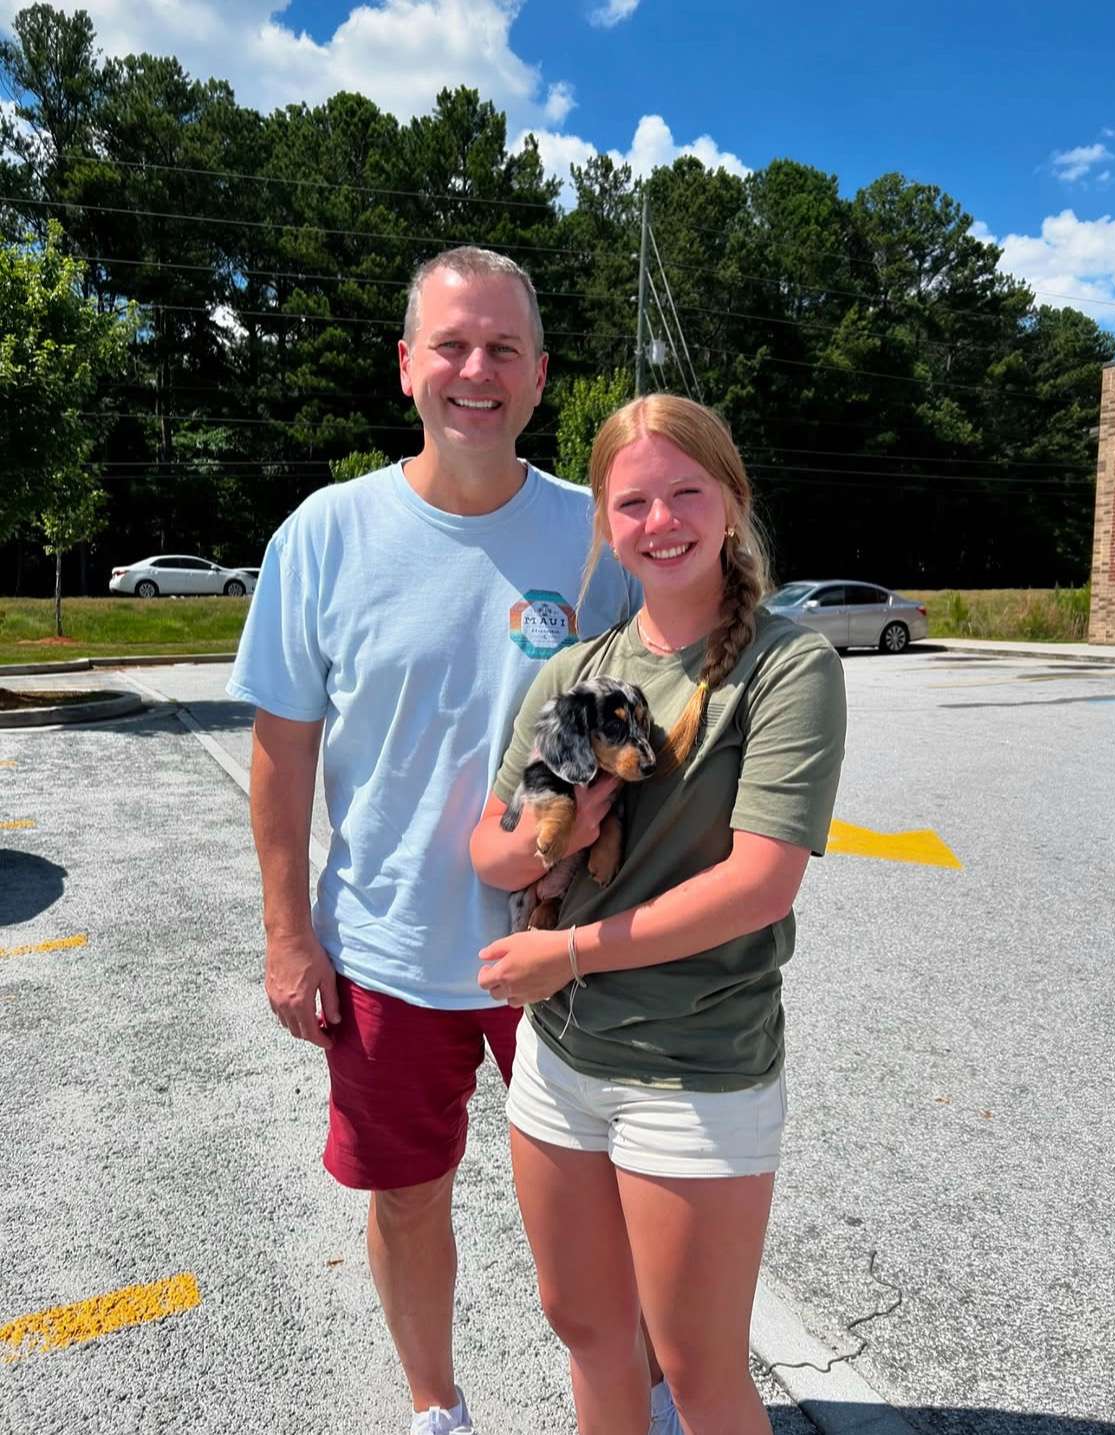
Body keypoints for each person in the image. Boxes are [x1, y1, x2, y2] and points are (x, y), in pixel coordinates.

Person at [226, 246, 639, 1435]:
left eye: (504, 347)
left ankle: (636, 1397)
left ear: (542, 374)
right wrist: (287, 934)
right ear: (407, 365)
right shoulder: (326, 534)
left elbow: (654, 721)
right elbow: (282, 751)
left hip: (563, 952)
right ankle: (435, 1405)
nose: (477, 369)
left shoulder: (594, 539)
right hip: (390, 952)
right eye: (452, 345)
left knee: (603, 1203)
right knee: (410, 1198)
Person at [469, 394, 847, 1435]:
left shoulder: (788, 665)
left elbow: (760, 883)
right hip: (560, 1060)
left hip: (695, 1064)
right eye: (633, 501)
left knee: (695, 1365)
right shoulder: (576, 672)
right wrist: (565, 814)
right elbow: (490, 845)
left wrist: (568, 951)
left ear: (732, 501)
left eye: (687, 492)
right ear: (604, 522)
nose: (662, 520)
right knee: (587, 1328)